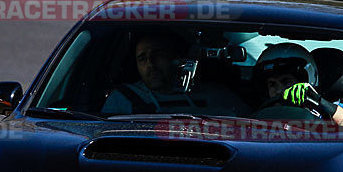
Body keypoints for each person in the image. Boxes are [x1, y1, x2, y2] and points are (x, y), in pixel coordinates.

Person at [102, 34, 250, 116]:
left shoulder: (217, 96)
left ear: (177, 59)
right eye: (142, 58)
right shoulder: (123, 99)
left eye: (158, 55)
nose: (150, 64)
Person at [254, 43, 343, 126]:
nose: (279, 90)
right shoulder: (261, 113)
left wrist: (319, 101)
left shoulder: (329, 109)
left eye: (287, 82)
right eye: (272, 84)